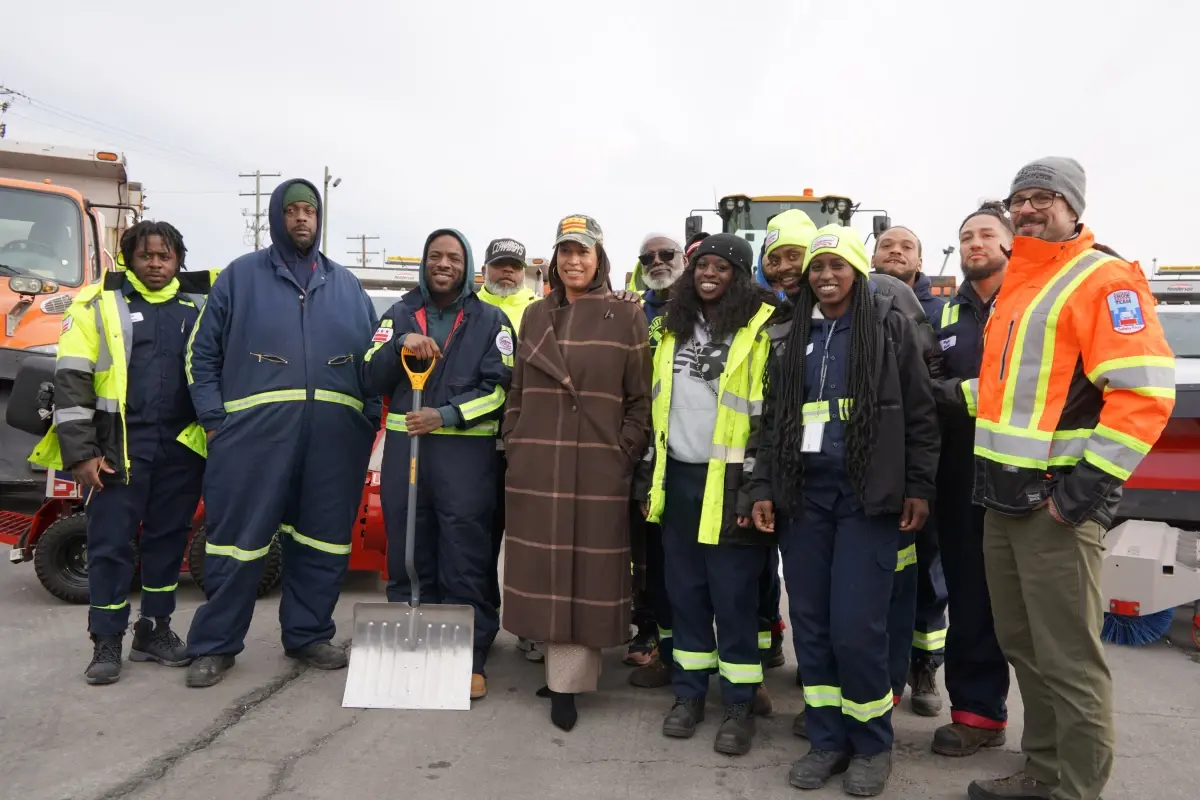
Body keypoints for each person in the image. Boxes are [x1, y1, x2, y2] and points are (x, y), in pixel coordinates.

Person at [966, 158, 1175, 800]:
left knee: (1069, 660)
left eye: (1043, 197)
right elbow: (1022, 393)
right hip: (1004, 499)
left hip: (1055, 504)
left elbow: (1143, 395)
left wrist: (1078, 496)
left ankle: (1076, 789)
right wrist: (951, 392)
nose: (1028, 209)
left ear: (1072, 206)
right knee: (1024, 646)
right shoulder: (1021, 286)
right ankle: (1042, 772)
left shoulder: (1103, 277)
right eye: (1019, 199)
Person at [750, 225, 939, 795]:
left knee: (858, 628)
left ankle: (871, 744)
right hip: (804, 499)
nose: (825, 276)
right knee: (812, 627)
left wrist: (918, 486)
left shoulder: (887, 326)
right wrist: (763, 486)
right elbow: (769, 418)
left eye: (837, 266)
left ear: (858, 269)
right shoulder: (787, 332)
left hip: (866, 496)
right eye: (816, 268)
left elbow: (921, 414)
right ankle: (828, 740)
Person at [184, 179, 380, 687]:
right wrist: (214, 420)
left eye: (309, 212)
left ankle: (309, 634)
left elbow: (374, 360)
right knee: (236, 544)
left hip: (334, 441)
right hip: (252, 439)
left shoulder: (347, 286)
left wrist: (368, 416)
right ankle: (215, 645)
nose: (301, 219)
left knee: (323, 543)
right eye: (292, 210)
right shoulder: (239, 278)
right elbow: (200, 353)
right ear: (277, 216)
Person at [30, 221, 213, 685]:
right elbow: (72, 379)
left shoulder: (200, 307)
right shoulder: (97, 303)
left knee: (167, 543)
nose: (155, 263)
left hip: (180, 450)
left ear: (178, 260)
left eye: (165, 256)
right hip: (116, 451)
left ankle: (154, 631)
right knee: (110, 548)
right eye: (146, 255)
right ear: (130, 257)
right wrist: (82, 453)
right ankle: (107, 641)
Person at [502, 214, 651, 733]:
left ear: (600, 258)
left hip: (596, 464)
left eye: (583, 252)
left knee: (583, 571)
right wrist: (516, 439)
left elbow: (640, 398)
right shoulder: (534, 315)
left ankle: (567, 684)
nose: (573, 260)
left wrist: (622, 451)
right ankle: (559, 671)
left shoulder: (625, 314)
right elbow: (517, 391)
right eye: (565, 251)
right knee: (546, 569)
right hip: (539, 462)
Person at [644, 233, 779, 755]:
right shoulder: (670, 328)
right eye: (702, 265)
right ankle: (689, 695)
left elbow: (771, 419)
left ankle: (740, 703)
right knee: (686, 596)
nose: (709, 274)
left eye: (722, 267)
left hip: (732, 484)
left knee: (735, 599)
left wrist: (756, 487)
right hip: (677, 479)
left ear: (739, 276)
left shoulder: (762, 328)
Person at [365, 229, 512, 700]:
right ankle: (409, 651)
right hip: (406, 453)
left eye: (453, 257)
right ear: (424, 263)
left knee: (464, 556)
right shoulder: (399, 314)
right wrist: (398, 344)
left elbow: (501, 390)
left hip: (465, 460)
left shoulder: (493, 321)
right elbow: (367, 373)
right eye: (435, 256)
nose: (443, 264)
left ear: (468, 266)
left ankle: (469, 655)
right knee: (407, 548)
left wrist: (446, 414)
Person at [928, 204, 1013, 758]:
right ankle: (977, 714)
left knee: (1027, 609)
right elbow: (923, 381)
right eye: (966, 236)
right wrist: (971, 395)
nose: (974, 243)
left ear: (1010, 243)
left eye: (986, 234)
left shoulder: (1031, 302)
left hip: (1025, 475)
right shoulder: (941, 315)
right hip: (957, 476)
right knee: (969, 596)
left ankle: (1056, 733)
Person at [871, 225, 949, 716]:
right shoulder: (852, 304)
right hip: (875, 467)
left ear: (919, 262)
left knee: (927, 571)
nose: (896, 252)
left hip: (923, 459)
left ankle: (925, 663)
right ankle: (875, 664)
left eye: (907, 247)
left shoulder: (940, 313)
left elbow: (934, 386)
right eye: (887, 246)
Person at [476, 237, 542, 663]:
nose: (507, 273)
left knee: (530, 540)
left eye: (513, 267)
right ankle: (482, 622)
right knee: (481, 540)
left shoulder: (541, 311)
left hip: (527, 444)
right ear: (485, 269)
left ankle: (530, 627)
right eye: (499, 265)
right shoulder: (469, 307)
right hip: (477, 443)